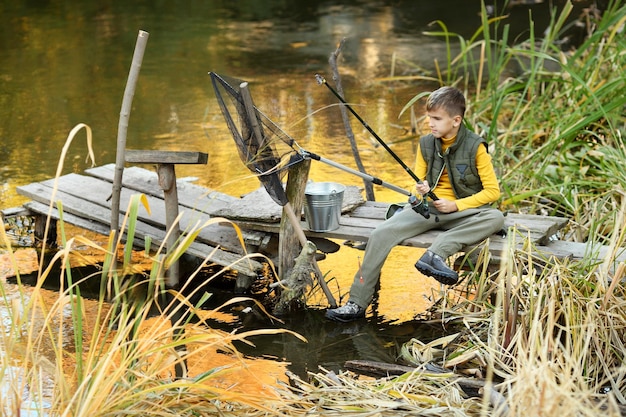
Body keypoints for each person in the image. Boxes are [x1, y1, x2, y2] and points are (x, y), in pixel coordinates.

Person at [325, 86, 504, 322]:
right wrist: (420, 192)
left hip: (463, 211)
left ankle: (435, 254)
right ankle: (356, 303)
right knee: (380, 234)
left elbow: (493, 192)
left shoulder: (475, 147)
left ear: (456, 120)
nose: (431, 123)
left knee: (496, 217)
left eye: (437, 119)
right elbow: (416, 183)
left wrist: (456, 205)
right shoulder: (426, 144)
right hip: (428, 210)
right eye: (429, 118)